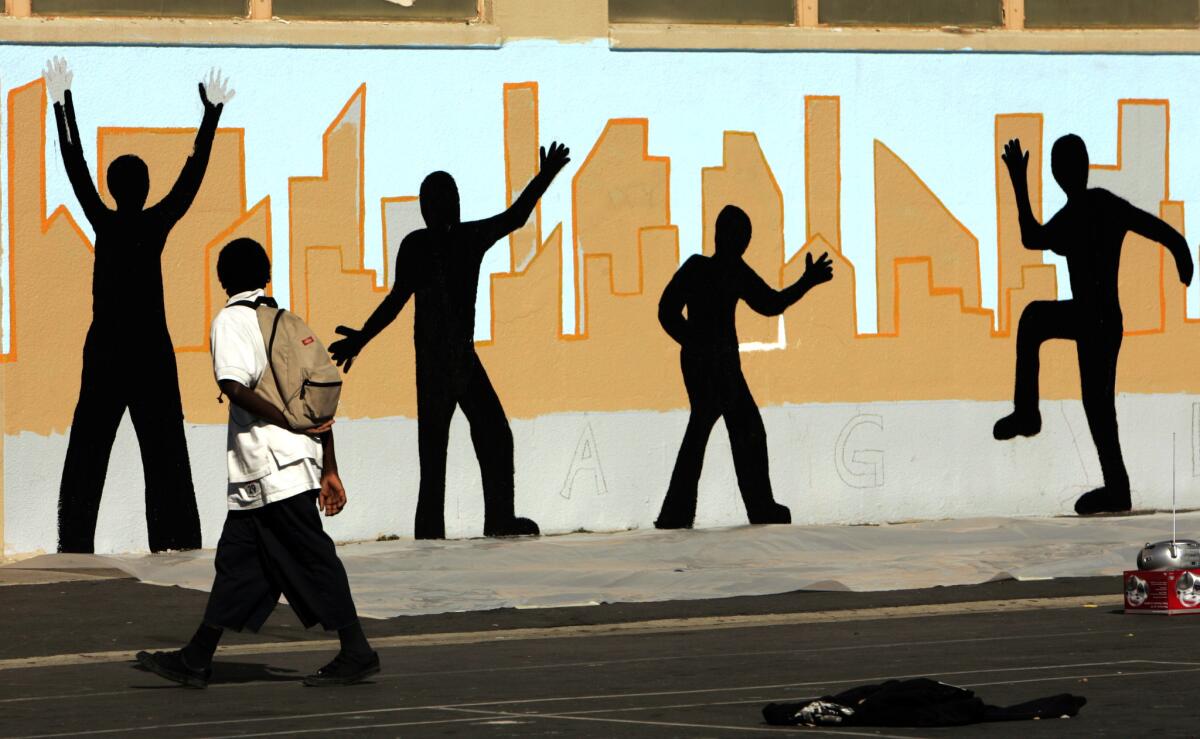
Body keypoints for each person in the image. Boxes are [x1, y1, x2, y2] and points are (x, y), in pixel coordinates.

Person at [137, 238, 379, 688]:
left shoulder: (232, 321)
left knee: (312, 559)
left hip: (271, 469)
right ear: (266, 274)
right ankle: (196, 657)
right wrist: (328, 466)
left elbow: (234, 384)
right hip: (282, 468)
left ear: (223, 280)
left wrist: (286, 423)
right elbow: (317, 407)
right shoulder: (285, 321)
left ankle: (357, 650)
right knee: (239, 565)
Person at [328, 142, 571, 540]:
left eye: (450, 197)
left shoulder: (439, 242)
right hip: (446, 360)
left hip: (451, 359)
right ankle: (473, 523)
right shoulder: (446, 242)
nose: (448, 204)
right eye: (443, 199)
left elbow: (515, 217)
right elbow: (515, 217)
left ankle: (481, 522)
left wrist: (362, 338)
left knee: (473, 439)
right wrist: (362, 338)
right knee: (458, 444)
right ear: (431, 207)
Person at [43, 58, 233, 553]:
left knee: (88, 448)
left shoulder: (105, 223)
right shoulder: (153, 227)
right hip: (150, 349)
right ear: (145, 189)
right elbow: (192, 178)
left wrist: (61, 103)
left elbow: (74, 163)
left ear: (113, 189)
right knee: (166, 446)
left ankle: (75, 540)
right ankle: (176, 537)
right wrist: (210, 116)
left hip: (106, 347)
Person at [997, 136, 1194, 515]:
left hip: (1092, 316)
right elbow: (1155, 228)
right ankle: (1113, 485)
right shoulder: (1097, 205)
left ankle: (1030, 415)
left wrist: (1020, 184)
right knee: (1095, 402)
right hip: (1102, 319)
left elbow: (1032, 236)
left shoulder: (1087, 209)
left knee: (1042, 329)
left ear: (1059, 174)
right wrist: (1181, 253)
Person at [655, 205, 834, 529]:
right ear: (727, 237)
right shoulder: (710, 268)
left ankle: (680, 512)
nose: (742, 243)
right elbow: (667, 310)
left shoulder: (725, 270)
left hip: (715, 363)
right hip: (714, 364)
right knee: (741, 430)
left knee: (729, 430)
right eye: (741, 236)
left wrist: (807, 282)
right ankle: (753, 507)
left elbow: (769, 303)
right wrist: (694, 340)